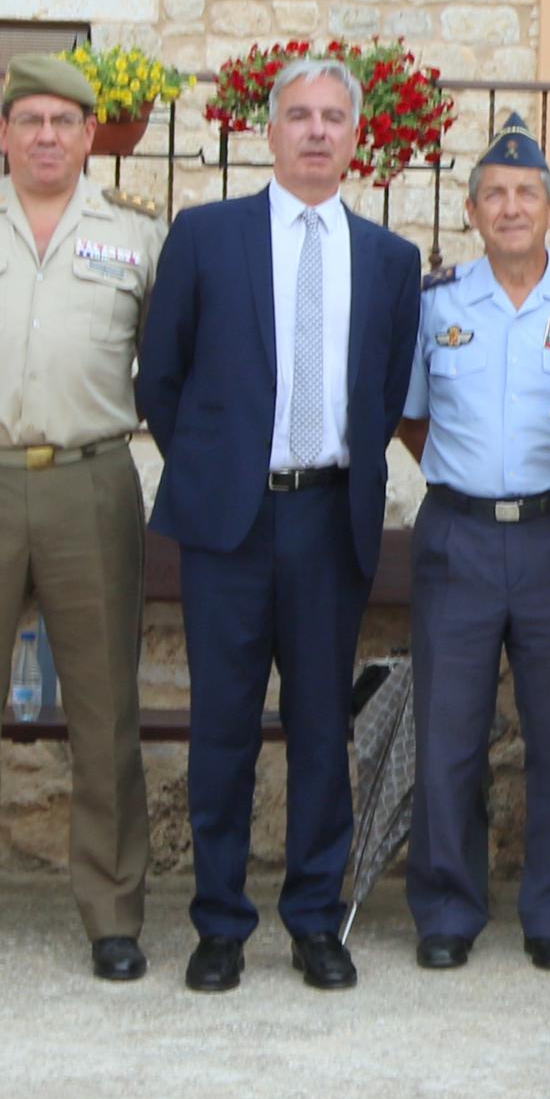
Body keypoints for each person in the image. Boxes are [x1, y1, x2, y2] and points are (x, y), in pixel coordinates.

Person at [140, 56, 421, 995]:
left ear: (354, 136)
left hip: (326, 518)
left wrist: (317, 472)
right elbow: (161, 380)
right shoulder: (207, 236)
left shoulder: (389, 260)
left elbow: (380, 396)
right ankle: (219, 922)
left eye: (331, 117)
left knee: (316, 730)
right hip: (228, 521)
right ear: (269, 131)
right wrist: (222, 469)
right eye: (297, 115)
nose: (314, 131)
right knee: (220, 727)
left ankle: (312, 919)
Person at [0, 54, 168, 984]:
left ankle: (111, 913)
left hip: (90, 482)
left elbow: (155, 362)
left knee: (104, 707)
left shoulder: (136, 234)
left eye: (65, 121)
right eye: (30, 120)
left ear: (91, 135)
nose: (47, 135)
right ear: (2, 133)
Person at [394, 113, 550, 974]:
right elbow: (413, 419)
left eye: (527, 192)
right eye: (495, 194)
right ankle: (447, 907)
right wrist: (470, 477)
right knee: (448, 733)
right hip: (459, 536)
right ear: (474, 212)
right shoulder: (438, 305)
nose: (511, 207)